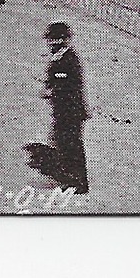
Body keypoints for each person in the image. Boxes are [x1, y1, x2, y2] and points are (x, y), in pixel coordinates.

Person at [42, 22, 90, 193]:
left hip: (70, 111)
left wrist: (54, 87)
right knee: (63, 143)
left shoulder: (68, 59)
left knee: (71, 145)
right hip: (64, 111)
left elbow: (69, 83)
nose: (51, 44)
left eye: (55, 40)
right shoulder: (61, 58)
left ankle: (79, 182)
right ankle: (69, 178)